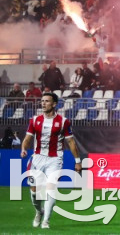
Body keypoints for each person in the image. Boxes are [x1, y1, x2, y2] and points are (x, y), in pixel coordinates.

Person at [22, 92, 84, 229]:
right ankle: (39, 211)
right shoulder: (34, 120)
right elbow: (27, 138)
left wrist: (78, 161)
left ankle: (46, 222)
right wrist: (23, 148)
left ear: (54, 104)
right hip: (37, 158)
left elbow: (71, 142)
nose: (43, 103)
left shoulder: (63, 122)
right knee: (34, 192)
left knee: (51, 189)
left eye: (47, 101)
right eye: (42, 101)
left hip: (55, 159)